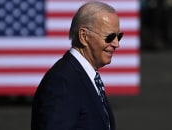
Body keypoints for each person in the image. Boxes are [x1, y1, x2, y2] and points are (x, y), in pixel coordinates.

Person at [31, 1, 123, 130]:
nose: (116, 44)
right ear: (84, 36)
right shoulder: (63, 82)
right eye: (110, 37)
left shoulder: (83, 77)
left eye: (119, 36)